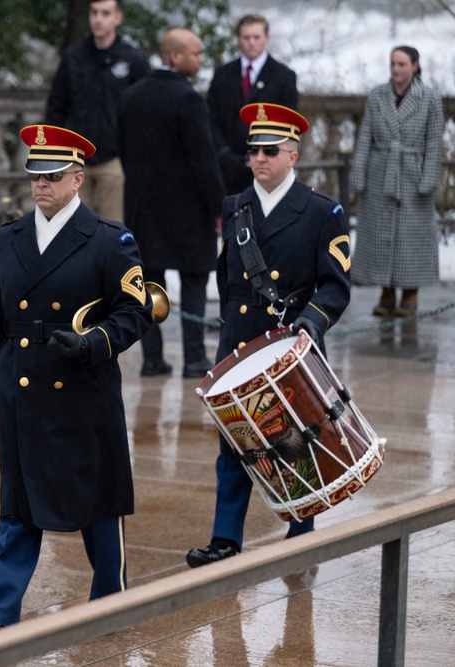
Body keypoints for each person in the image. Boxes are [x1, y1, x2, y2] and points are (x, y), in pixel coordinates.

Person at [0, 125, 154, 639]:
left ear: (78, 179)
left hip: (83, 392)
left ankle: (110, 596)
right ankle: (2, 609)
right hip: (22, 386)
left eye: (53, 176)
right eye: (35, 176)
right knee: (17, 503)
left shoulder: (111, 241)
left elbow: (134, 313)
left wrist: (94, 343)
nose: (41, 185)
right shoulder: (9, 237)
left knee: (97, 504)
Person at [186, 103, 351, 568]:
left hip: (291, 342)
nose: (259, 158)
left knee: (297, 438)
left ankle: (300, 531)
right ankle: (225, 538)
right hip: (240, 339)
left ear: (292, 155)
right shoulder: (234, 207)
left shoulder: (322, 212)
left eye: (270, 151)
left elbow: (336, 286)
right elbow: (227, 279)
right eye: (253, 150)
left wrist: (312, 323)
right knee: (235, 441)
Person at [117, 28, 224, 379]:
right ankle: (194, 358)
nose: (201, 59)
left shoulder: (131, 96)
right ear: (174, 56)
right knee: (194, 281)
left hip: (143, 209)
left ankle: (152, 359)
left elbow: (123, 151)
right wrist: (218, 207)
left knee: (149, 284)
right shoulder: (188, 99)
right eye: (196, 52)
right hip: (188, 212)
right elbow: (204, 160)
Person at [350, 45, 443, 318]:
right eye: (392, 63)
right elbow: (365, 136)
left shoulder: (429, 97)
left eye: (402, 64)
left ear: (415, 66)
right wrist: (359, 176)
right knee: (379, 235)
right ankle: (387, 291)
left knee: (411, 237)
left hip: (413, 175)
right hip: (380, 173)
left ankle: (411, 292)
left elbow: (434, 143)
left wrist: (428, 180)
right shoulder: (377, 95)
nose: (396, 69)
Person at [44, 0, 150, 222]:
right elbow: (56, 107)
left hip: (115, 160)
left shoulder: (133, 59)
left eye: (105, 13)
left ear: (117, 18)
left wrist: (135, 155)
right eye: (94, 13)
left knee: (115, 230)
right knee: (71, 229)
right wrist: (54, 153)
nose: (98, 19)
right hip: (74, 157)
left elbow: (145, 111)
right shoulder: (73, 58)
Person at [207, 14, 298, 196]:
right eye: (246, 37)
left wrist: (268, 153)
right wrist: (223, 152)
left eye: (256, 37)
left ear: (266, 38)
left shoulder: (283, 76)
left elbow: (289, 122)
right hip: (227, 168)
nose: (251, 43)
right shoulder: (222, 74)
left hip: (266, 165)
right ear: (239, 39)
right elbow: (211, 118)